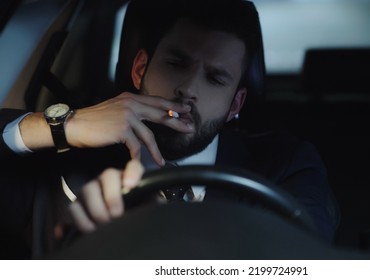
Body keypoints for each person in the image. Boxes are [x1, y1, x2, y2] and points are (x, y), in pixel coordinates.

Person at [0, 0, 339, 258]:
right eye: (177, 64)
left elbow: (302, 254)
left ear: (234, 105)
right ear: (139, 69)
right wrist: (59, 126)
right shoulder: (65, 157)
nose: (188, 88)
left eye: (215, 78)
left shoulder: (286, 165)